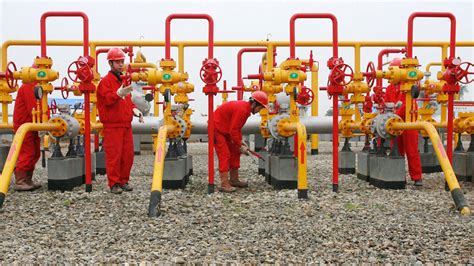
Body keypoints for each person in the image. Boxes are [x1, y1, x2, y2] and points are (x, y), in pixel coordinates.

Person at [97, 48, 144, 194]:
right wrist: (118, 93)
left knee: (127, 156)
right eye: (117, 62)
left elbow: (127, 101)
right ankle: (114, 183)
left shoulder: (123, 81)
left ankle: (123, 181)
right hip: (112, 125)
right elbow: (107, 100)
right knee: (114, 156)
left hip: (125, 125)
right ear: (110, 63)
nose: (120, 64)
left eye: (122, 61)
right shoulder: (105, 82)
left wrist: (134, 109)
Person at [213, 91, 268, 192]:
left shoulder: (245, 109)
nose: (259, 111)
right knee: (224, 155)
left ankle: (234, 180)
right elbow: (233, 130)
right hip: (217, 129)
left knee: (235, 151)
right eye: (260, 108)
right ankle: (224, 184)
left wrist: (240, 143)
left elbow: (236, 129)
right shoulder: (242, 110)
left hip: (226, 130)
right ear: (254, 104)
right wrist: (240, 144)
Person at [385, 58, 423, 186]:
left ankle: (417, 177)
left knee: (412, 150)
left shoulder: (409, 86)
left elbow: (408, 104)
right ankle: (399, 176)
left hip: (409, 122)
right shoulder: (389, 88)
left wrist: (394, 114)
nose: (391, 74)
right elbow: (386, 103)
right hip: (395, 123)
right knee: (396, 149)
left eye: (393, 70)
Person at [12, 75, 43, 191]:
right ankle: (20, 181)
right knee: (27, 152)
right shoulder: (29, 86)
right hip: (24, 125)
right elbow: (33, 107)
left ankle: (28, 180)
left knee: (35, 152)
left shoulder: (37, 86)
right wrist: (44, 120)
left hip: (32, 125)